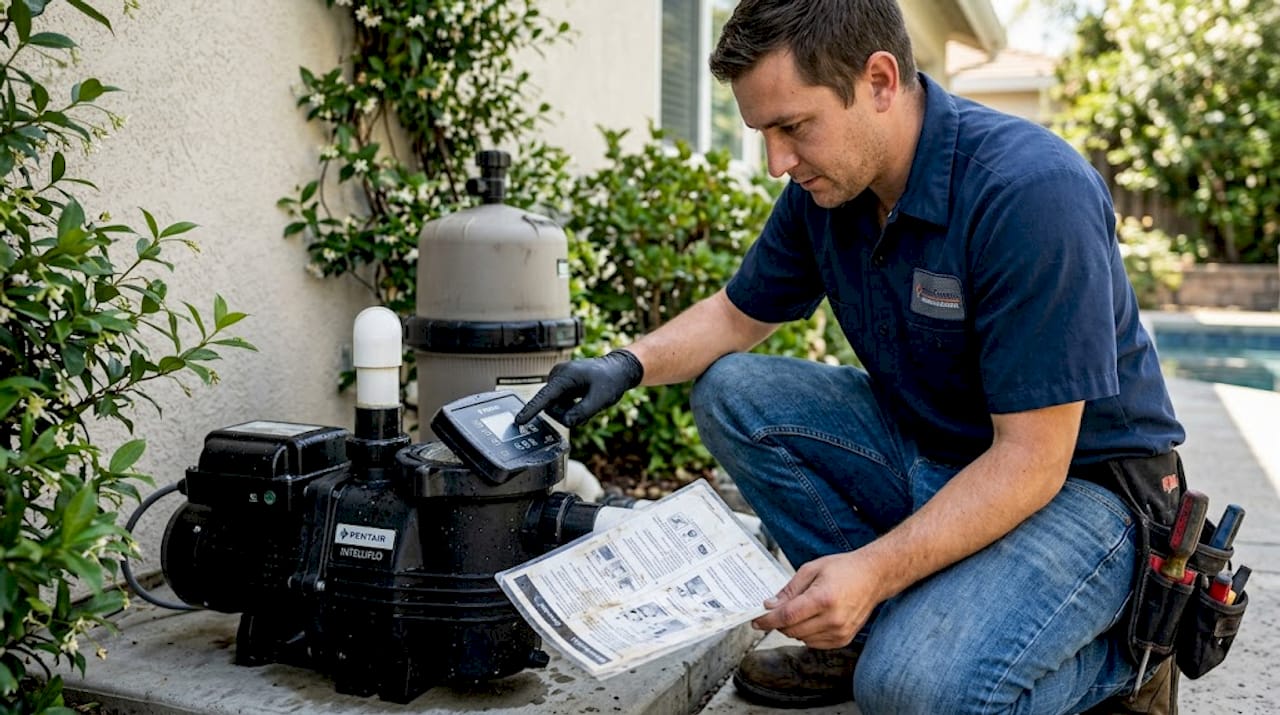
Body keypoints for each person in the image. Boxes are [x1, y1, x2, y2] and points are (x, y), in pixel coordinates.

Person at [515, 0, 1187, 712]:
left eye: (792, 127)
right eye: (763, 133)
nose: (777, 161)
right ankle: (873, 634)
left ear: (879, 80)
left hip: (1091, 497)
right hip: (945, 453)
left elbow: (1031, 462)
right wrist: (624, 364)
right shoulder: (831, 187)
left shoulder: (1028, 193)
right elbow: (736, 316)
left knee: (911, 691)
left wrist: (871, 570)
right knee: (733, 391)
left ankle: (1125, 662)